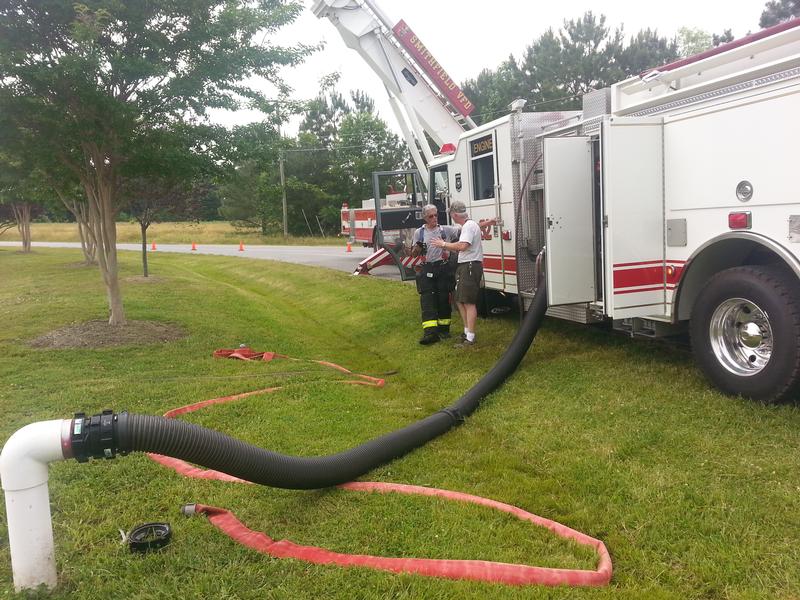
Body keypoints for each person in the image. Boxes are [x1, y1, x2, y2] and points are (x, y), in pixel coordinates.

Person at [430, 200, 497, 348]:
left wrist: (443, 244)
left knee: (468, 302)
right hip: (466, 265)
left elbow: (463, 246)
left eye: (451, 214)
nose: (451, 217)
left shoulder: (468, 226)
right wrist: (489, 222)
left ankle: (470, 338)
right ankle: (467, 332)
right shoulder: (469, 225)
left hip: (470, 266)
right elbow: (476, 228)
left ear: (454, 214)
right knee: (459, 300)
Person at [411, 204, 460, 345]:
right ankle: (430, 333)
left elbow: (466, 228)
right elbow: (413, 254)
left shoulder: (447, 230)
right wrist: (417, 248)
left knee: (444, 299)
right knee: (427, 300)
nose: (434, 218)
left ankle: (444, 330)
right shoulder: (418, 233)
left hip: (443, 268)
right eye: (431, 216)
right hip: (427, 269)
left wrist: (487, 223)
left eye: (436, 215)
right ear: (425, 218)